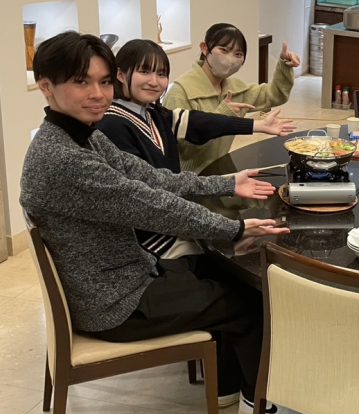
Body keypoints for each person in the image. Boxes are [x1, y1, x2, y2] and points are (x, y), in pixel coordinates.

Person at [20, 31, 306, 414]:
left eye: (104, 81)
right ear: (46, 86)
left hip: (121, 276)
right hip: (115, 302)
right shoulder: (65, 159)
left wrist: (225, 184)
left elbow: (149, 178)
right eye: (82, 82)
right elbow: (150, 205)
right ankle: (260, 402)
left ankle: (225, 386)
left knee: (221, 273)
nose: (98, 94)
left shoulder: (79, 136)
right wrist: (234, 228)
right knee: (249, 301)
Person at [98, 39, 297, 257]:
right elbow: (149, 197)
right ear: (120, 74)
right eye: (144, 72)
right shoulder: (113, 124)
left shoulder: (152, 113)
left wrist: (256, 125)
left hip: (175, 223)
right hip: (153, 245)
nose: (154, 82)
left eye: (161, 74)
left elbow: (200, 122)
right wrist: (234, 228)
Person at [163, 23, 302, 172]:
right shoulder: (181, 93)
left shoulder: (234, 89)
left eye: (238, 54)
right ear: (204, 48)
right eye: (223, 50)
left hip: (220, 170)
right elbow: (175, 150)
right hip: (186, 179)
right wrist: (223, 115)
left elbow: (274, 94)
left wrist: (285, 65)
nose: (230, 59)